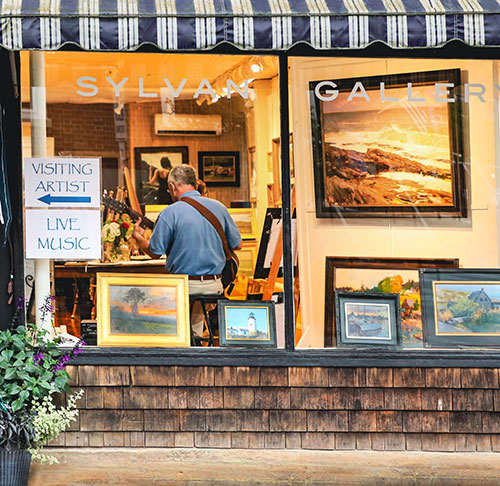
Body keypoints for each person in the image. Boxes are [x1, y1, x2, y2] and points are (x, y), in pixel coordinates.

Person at [133, 164, 242, 340]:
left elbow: (155, 252)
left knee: (150, 301)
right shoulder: (220, 207)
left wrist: (139, 239)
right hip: (214, 285)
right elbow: (238, 245)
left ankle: (177, 342)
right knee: (197, 312)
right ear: (195, 184)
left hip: (183, 286)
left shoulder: (169, 213)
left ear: (172, 187)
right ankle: (195, 339)